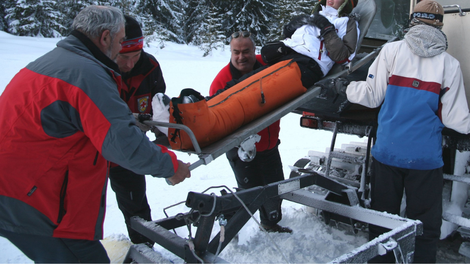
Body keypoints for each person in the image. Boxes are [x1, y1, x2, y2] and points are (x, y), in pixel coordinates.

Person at [0, 5, 190, 263]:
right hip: (36, 198)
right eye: (121, 42)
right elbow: (123, 144)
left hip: (20, 187)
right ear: (104, 38)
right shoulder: (86, 74)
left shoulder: (52, 62)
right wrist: (170, 165)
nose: (124, 52)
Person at [317, 0, 470, 262]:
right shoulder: (450, 65)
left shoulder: (391, 52)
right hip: (425, 159)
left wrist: (344, 88)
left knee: (382, 222)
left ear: (413, 20)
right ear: (440, 25)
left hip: (388, 153)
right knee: (425, 227)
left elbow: (371, 97)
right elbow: (458, 121)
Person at [209, 32, 292, 233]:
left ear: (254, 50)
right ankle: (225, 221)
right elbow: (214, 121)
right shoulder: (221, 82)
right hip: (242, 151)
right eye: (236, 52)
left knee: (274, 190)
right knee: (249, 194)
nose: (241, 57)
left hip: (270, 145)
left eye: (246, 51)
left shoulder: (268, 65)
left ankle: (270, 223)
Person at [110, 15, 168, 246]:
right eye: (123, 57)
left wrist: (162, 137)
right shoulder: (97, 69)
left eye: (136, 56)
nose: (130, 64)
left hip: (131, 150)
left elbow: (159, 105)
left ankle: (144, 249)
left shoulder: (149, 66)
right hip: (94, 151)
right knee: (85, 206)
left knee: (135, 204)